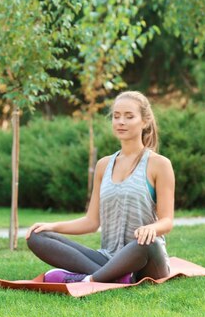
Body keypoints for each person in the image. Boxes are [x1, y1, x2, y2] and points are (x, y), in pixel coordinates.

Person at [26, 90, 175, 284]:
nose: (121, 121)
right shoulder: (104, 165)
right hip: (108, 257)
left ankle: (88, 281)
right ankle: (112, 277)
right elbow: (91, 221)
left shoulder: (159, 164)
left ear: (144, 121)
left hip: (146, 259)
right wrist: (52, 226)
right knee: (37, 237)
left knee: (147, 242)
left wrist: (151, 229)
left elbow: (167, 221)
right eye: (116, 116)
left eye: (129, 116)